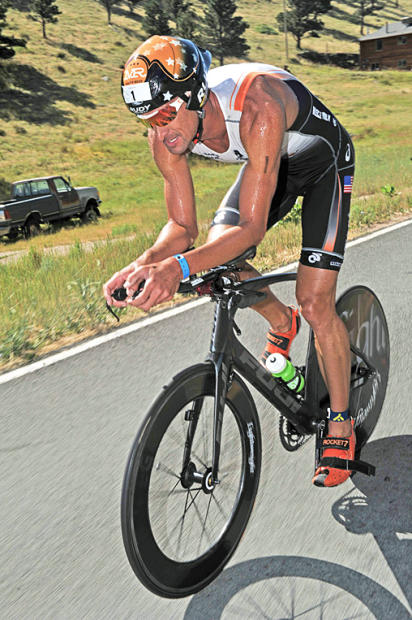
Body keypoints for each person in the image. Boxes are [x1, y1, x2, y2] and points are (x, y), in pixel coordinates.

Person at [103, 35, 356, 488]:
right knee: (216, 259)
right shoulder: (164, 133)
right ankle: (282, 322)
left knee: (315, 302)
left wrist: (177, 268)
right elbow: (182, 227)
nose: (160, 131)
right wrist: (145, 263)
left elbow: (251, 230)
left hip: (324, 164)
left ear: (195, 95)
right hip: (269, 164)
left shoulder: (257, 105)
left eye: (164, 116)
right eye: (146, 119)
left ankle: (341, 420)